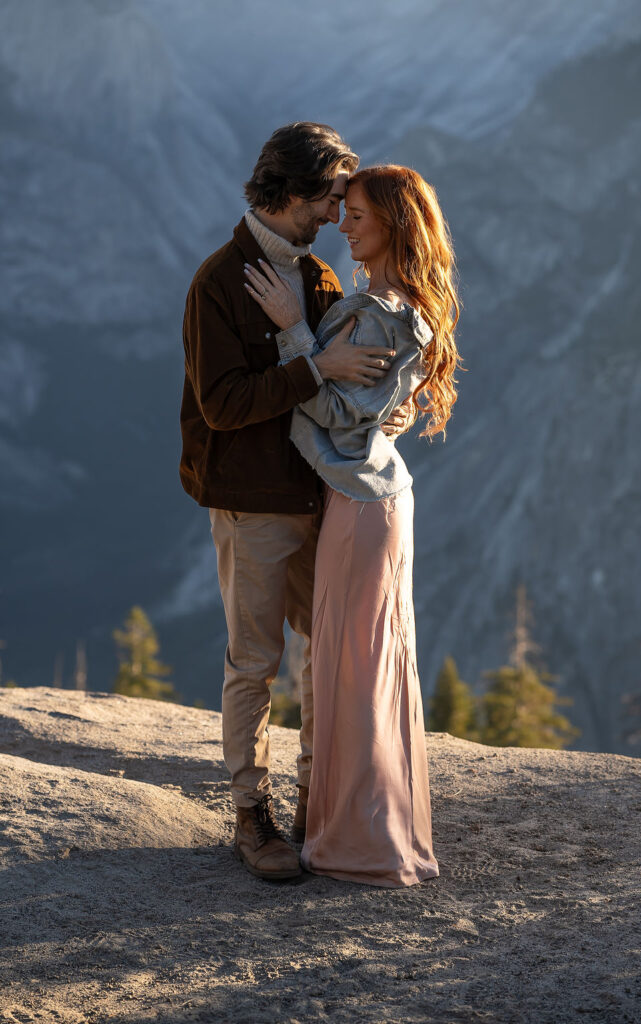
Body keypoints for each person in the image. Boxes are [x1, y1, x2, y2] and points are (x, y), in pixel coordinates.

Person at [180, 124, 411, 881]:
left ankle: (317, 801)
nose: (334, 216)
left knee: (324, 654)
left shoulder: (313, 279)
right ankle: (252, 813)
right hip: (251, 502)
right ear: (288, 193)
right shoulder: (221, 280)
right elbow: (221, 404)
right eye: (326, 200)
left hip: (319, 497)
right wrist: (318, 366)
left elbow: (343, 389)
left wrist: (379, 401)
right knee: (255, 660)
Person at [244, 163, 462, 886]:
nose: (343, 222)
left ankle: (360, 842)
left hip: (359, 504)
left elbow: (337, 416)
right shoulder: (399, 303)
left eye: (359, 214)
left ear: (396, 224)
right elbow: (374, 416)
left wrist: (292, 335)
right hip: (378, 498)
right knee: (368, 663)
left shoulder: (375, 312)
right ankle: (371, 828)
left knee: (352, 665)